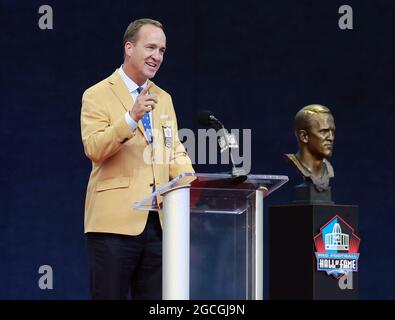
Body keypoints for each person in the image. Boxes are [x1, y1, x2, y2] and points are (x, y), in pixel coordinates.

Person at [80, 18, 194, 300]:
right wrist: (131, 118)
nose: (157, 56)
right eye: (151, 47)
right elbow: (94, 147)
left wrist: (194, 182)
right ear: (129, 48)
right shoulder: (97, 94)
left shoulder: (163, 98)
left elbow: (173, 148)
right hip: (113, 225)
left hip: (159, 225)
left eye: (163, 50)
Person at [285, 104, 335, 192]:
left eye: (332, 131)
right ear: (304, 136)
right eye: (324, 131)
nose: (331, 138)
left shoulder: (328, 170)